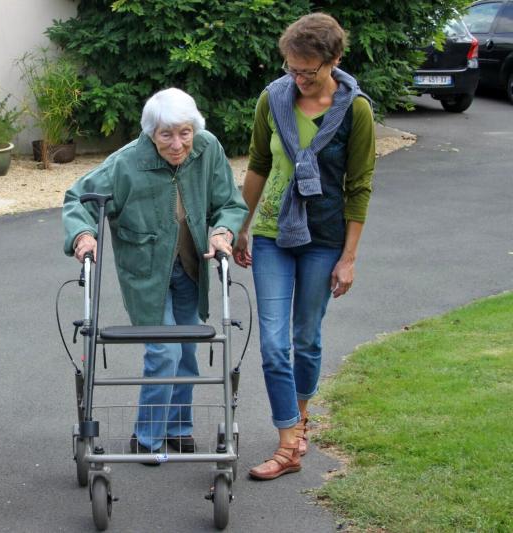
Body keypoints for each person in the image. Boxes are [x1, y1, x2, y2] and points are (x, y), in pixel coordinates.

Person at [63, 88, 248, 461]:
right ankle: (146, 437)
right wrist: (83, 234)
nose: (178, 143)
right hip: (146, 274)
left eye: (184, 132)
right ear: (150, 132)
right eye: (166, 134)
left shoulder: (207, 149)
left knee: (189, 351)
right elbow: (77, 198)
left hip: (192, 267)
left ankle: (179, 428)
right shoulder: (126, 163)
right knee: (164, 351)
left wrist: (222, 231)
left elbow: (229, 202)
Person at [233, 13, 376, 480]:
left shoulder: (355, 111)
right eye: (291, 68)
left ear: (334, 60)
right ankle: (289, 441)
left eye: (307, 71)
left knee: (305, 339)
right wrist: (241, 225)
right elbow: (257, 163)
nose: (296, 78)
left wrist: (349, 258)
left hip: (325, 239)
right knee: (274, 345)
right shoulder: (273, 99)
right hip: (274, 232)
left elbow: (359, 187)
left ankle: (300, 416)